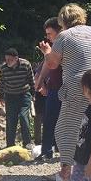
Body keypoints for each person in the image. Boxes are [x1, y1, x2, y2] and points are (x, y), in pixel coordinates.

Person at [38, 3, 91, 181]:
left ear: (62, 21)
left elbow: (52, 64)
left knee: (66, 128)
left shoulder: (65, 36)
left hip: (82, 87)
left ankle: (66, 173)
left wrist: (47, 51)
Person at [34, 17, 63, 160]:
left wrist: (46, 52)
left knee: (64, 122)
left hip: (66, 89)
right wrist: (39, 82)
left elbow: (53, 64)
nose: (47, 37)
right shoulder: (52, 46)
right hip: (53, 88)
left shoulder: (63, 43)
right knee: (49, 120)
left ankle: (65, 153)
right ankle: (47, 151)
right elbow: (46, 65)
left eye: (49, 33)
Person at [0, 48, 35, 148]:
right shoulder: (3, 69)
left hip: (24, 95)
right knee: (11, 120)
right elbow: (1, 83)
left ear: (16, 58)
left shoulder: (25, 64)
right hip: (10, 96)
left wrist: (33, 94)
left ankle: (27, 143)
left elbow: (31, 79)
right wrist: (1, 97)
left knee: (24, 117)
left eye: (10, 60)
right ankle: (10, 145)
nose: (8, 62)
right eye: (6, 60)